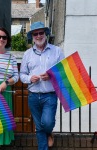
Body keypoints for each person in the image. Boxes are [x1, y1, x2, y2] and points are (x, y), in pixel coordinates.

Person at [20, 21, 65, 150]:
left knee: (47, 123)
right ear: (32, 36)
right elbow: (22, 75)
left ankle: (49, 131)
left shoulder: (57, 51)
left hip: (50, 95)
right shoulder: (27, 54)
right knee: (39, 127)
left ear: (45, 34)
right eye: (35, 34)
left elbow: (63, 72)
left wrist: (52, 76)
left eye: (41, 33)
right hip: (33, 96)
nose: (39, 36)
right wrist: (30, 78)